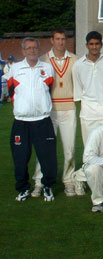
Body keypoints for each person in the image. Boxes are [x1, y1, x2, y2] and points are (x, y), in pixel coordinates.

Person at [8, 37, 57, 202]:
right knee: (20, 159)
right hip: (21, 122)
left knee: (48, 158)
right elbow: (11, 92)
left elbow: (48, 89)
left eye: (35, 48)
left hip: (43, 121)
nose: (32, 50)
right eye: (28, 48)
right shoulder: (15, 69)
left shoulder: (48, 68)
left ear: (38, 49)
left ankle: (48, 186)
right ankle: (23, 189)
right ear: (23, 51)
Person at [31, 28, 78, 197]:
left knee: (69, 149)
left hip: (69, 109)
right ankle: (39, 181)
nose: (60, 42)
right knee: (44, 148)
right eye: (57, 39)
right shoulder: (43, 60)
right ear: (52, 40)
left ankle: (69, 181)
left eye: (63, 39)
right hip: (48, 111)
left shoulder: (74, 59)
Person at [73, 31, 103, 145]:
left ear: (101, 45)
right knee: (89, 146)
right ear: (87, 45)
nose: (94, 47)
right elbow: (78, 90)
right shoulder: (78, 65)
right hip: (88, 113)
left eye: (97, 44)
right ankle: (89, 164)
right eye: (91, 44)